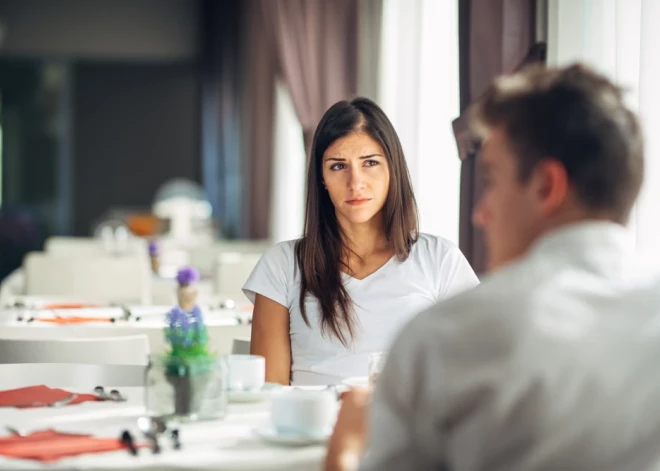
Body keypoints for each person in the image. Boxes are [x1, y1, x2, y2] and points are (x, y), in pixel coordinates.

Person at [325, 63, 660, 470]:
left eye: (492, 181)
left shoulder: (446, 336)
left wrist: (344, 449)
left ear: (546, 186)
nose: (480, 213)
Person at [243, 97, 478, 385]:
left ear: (392, 169)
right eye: (338, 166)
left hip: (407, 428)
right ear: (321, 178)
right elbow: (270, 396)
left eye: (370, 163)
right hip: (312, 429)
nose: (356, 183)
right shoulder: (281, 265)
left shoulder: (441, 260)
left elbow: (472, 376)